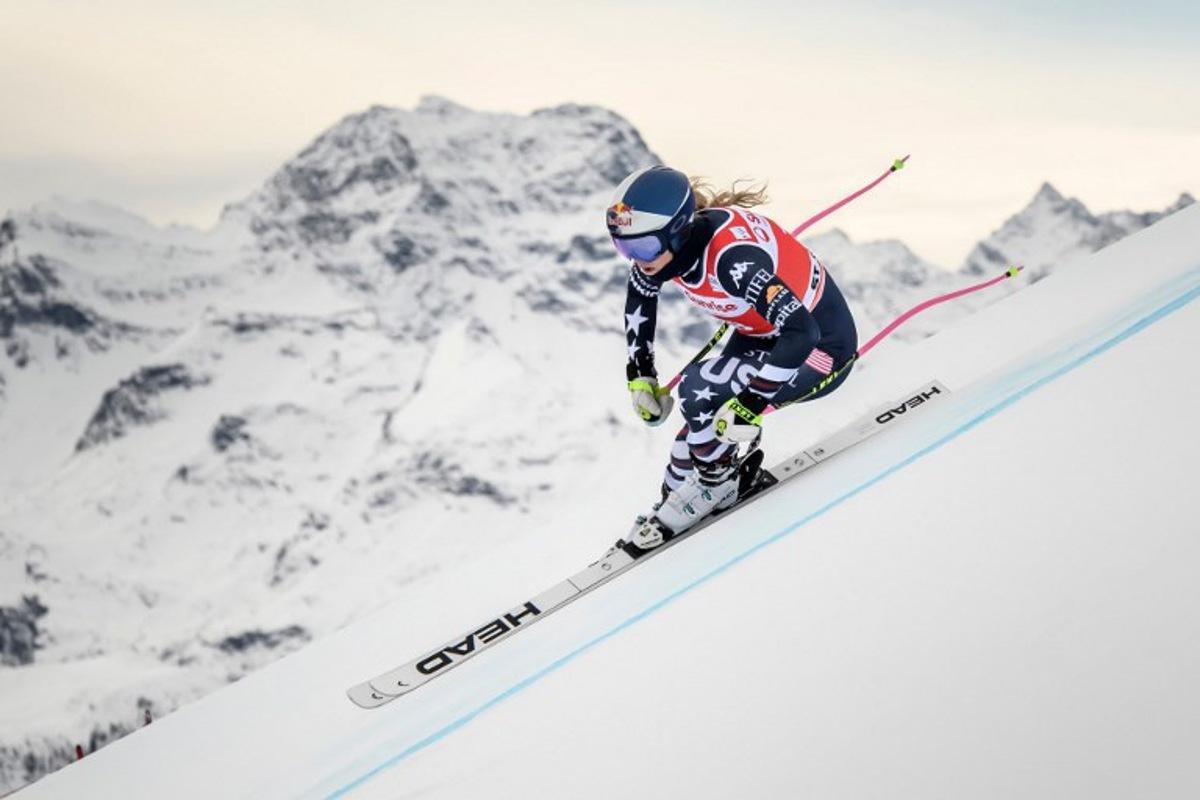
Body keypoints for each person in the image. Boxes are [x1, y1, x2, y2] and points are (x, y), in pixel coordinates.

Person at [608, 165, 858, 549]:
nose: (637, 259)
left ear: (676, 231)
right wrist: (641, 377)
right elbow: (640, 301)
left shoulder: (732, 262)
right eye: (624, 247)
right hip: (765, 337)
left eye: (643, 248)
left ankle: (717, 486)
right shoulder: (661, 253)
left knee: (699, 390)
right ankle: (672, 506)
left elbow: (802, 332)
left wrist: (749, 404)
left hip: (821, 350)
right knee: (692, 440)